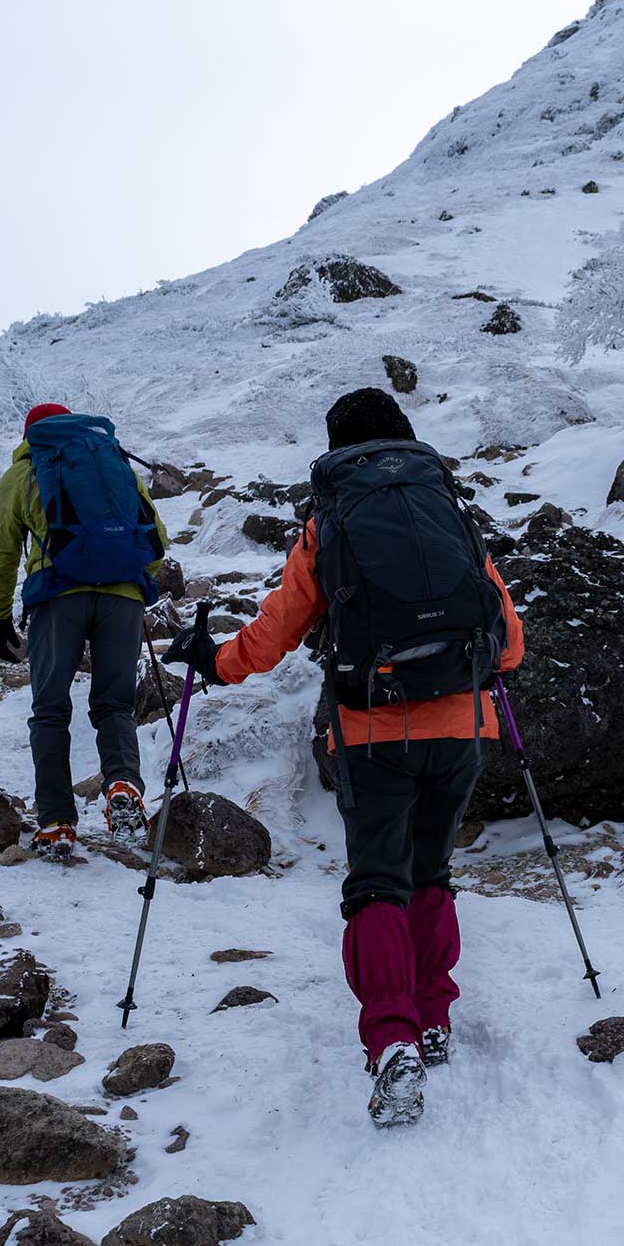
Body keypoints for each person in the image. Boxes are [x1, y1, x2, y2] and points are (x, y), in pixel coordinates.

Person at [167, 388, 524, 1127]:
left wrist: (213, 662)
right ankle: (434, 1018)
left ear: (334, 451)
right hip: (464, 727)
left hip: (374, 734)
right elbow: (510, 643)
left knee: (376, 884)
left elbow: (273, 634)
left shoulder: (328, 526)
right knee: (432, 872)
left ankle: (392, 1039)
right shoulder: (451, 513)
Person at [0, 402, 170, 863]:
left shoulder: (24, 472)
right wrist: (129, 581)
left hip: (56, 598)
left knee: (49, 711)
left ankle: (56, 823)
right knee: (115, 704)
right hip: (123, 599)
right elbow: (156, 540)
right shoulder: (112, 461)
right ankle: (123, 784)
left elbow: (2, 554)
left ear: (31, 435)